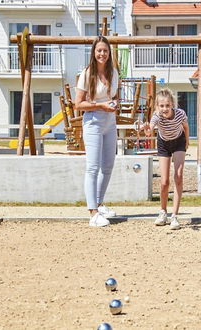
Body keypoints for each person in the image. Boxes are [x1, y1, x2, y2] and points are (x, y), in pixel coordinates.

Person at [75, 36, 119, 227]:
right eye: (99, 50)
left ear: (109, 54)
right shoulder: (87, 73)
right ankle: (92, 212)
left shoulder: (113, 72)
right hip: (92, 121)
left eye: (105, 51)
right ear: (94, 53)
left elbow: (115, 96)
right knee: (92, 167)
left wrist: (114, 104)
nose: (102, 54)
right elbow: (79, 104)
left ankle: (99, 205)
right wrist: (101, 105)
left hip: (110, 121)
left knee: (108, 165)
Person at [142, 88, 189, 230]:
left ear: (172, 105)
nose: (165, 109)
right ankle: (163, 212)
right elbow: (150, 129)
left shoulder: (180, 114)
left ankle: (175, 215)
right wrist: (146, 129)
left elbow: (186, 127)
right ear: (157, 106)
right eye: (161, 106)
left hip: (179, 141)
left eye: (167, 105)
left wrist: (187, 142)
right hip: (163, 143)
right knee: (164, 182)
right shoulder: (156, 116)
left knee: (178, 176)